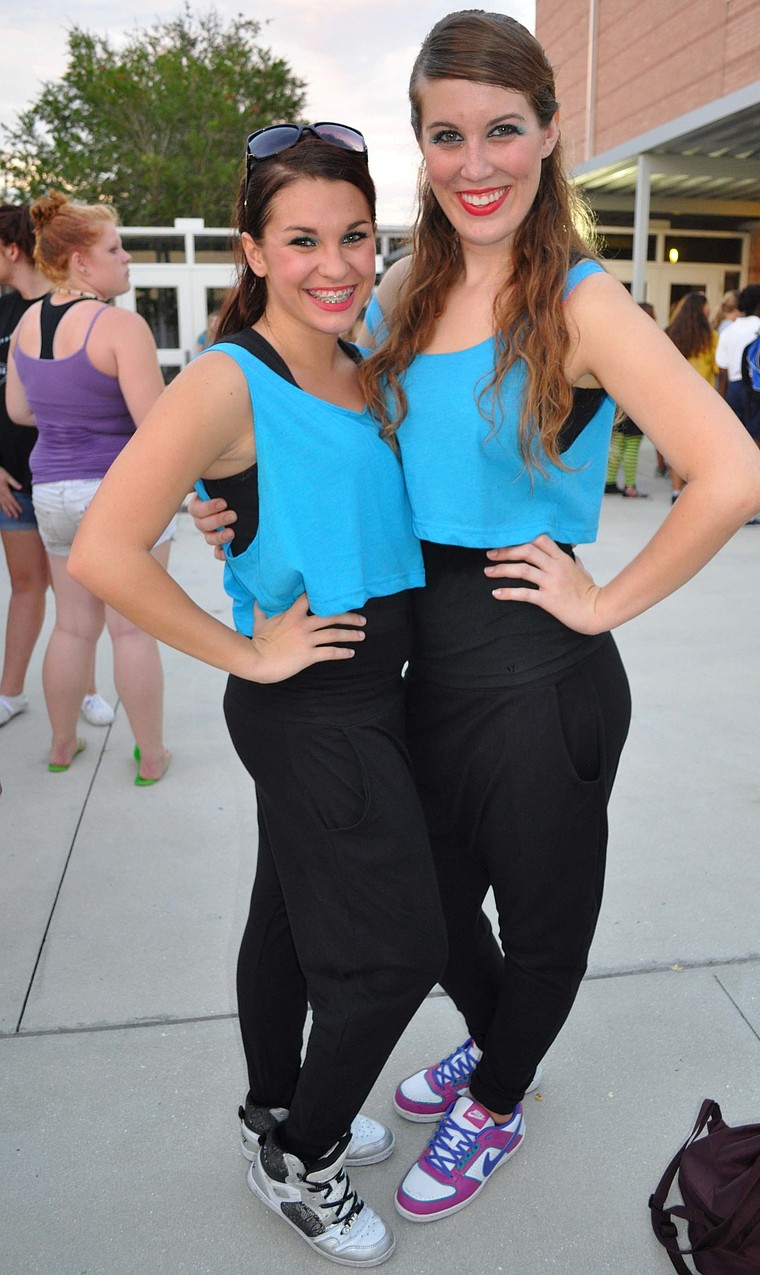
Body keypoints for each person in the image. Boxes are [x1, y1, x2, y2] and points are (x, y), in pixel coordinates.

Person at [191, 10, 760, 1229]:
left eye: (504, 129)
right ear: (420, 146)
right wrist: (240, 510)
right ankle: (497, 1039)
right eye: (447, 135)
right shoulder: (406, 286)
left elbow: (734, 477)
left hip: (533, 669)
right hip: (414, 664)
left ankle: (500, 1093)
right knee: (434, 907)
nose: (477, 161)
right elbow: (326, 433)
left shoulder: (580, 299)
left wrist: (602, 597)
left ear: (550, 134)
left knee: (543, 912)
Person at [69, 126, 446, 1267]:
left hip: (378, 687)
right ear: (251, 248)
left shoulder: (363, 353)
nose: (333, 264)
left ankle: (271, 1116)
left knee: (280, 925)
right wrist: (250, 655)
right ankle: (305, 1155)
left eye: (352, 236)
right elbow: (102, 550)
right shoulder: (231, 375)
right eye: (301, 241)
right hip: (312, 698)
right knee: (398, 952)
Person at [5, 194, 172, 777]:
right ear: (80, 262)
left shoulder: (27, 322)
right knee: (132, 630)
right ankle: (150, 756)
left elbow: (20, 411)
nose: (125, 259)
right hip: (118, 494)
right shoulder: (120, 326)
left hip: (51, 493)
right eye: (114, 248)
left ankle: (60, 745)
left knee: (73, 626)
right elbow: (156, 425)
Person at [0, 203, 113, 729]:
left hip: (50, 477)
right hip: (35, 478)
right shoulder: (15, 313)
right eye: (114, 249)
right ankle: (12, 693)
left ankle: (75, 714)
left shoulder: (40, 316)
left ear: (15, 249)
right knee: (42, 595)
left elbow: (20, 408)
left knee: (75, 615)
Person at [715, 282, 760, 525]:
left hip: (734, 391)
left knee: (735, 449)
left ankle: (733, 502)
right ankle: (750, 507)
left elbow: (723, 373)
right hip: (759, 391)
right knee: (757, 449)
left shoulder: (728, 331)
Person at [664, 292, 719, 504]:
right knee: (698, 449)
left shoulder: (671, 334)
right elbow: (716, 369)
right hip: (704, 401)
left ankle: (676, 491)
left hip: (675, 398)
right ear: (701, 310)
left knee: (677, 446)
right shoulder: (712, 338)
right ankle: (691, 489)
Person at [605, 301, 654, 497]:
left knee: (618, 441)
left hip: (618, 398)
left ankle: (609, 482)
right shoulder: (646, 341)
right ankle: (630, 486)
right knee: (633, 443)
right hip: (636, 398)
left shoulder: (619, 338)